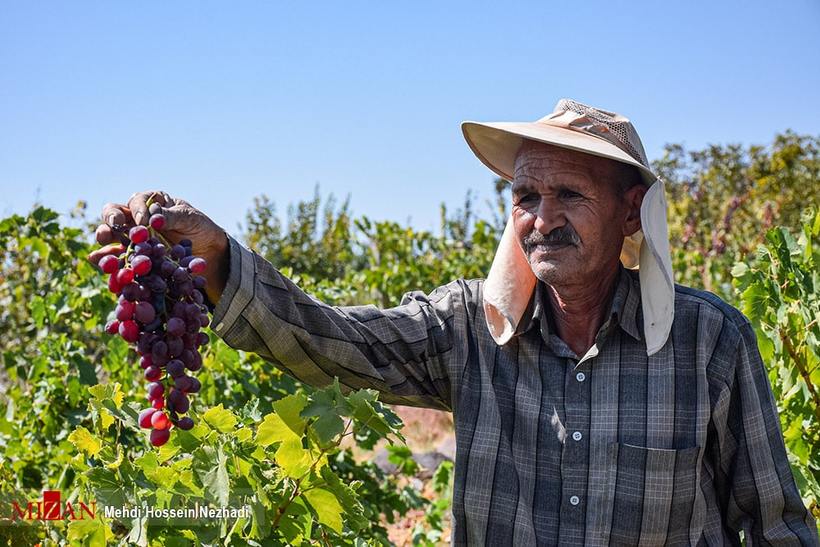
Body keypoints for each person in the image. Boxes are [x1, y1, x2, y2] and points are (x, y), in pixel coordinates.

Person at [89, 99, 819, 546]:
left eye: (570, 193)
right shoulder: (470, 329)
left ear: (631, 211)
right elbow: (335, 341)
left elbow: (779, 524)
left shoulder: (707, 343)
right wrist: (219, 257)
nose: (543, 217)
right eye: (526, 195)